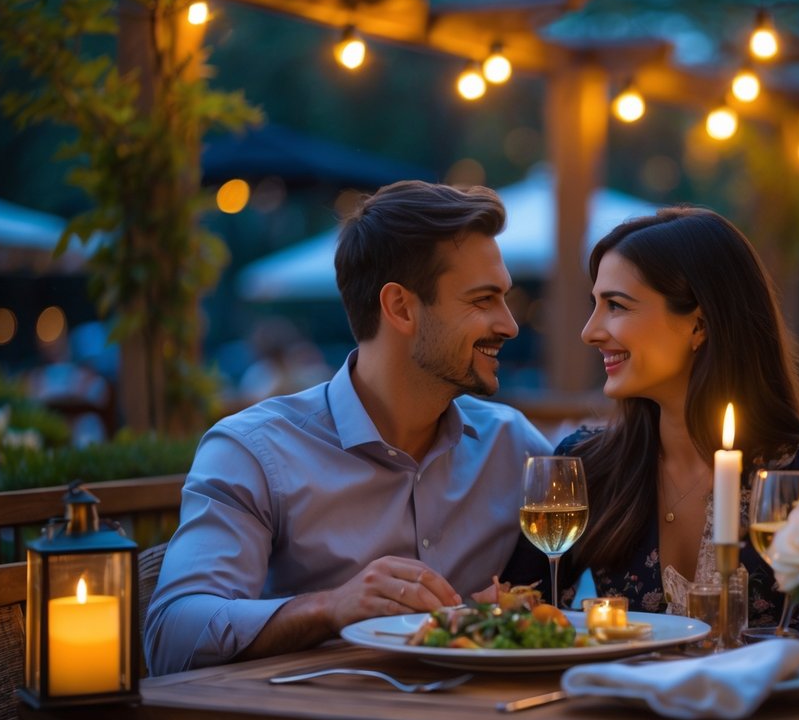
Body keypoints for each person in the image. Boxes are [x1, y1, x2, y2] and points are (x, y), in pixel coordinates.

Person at [146, 180, 552, 678]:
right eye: (483, 299)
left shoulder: (515, 447)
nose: (510, 324)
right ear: (400, 308)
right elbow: (170, 637)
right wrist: (331, 607)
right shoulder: (252, 450)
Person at [506, 207, 799, 643]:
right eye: (594, 305)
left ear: (700, 323)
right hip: (612, 710)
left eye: (616, 305)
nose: (590, 331)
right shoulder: (586, 465)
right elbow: (519, 608)